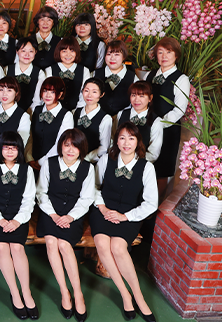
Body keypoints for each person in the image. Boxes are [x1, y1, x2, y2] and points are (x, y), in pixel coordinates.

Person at [90, 122, 158, 322]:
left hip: (129, 215)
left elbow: (151, 203)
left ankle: (139, 297)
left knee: (118, 248)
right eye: (122, 138)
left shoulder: (146, 167)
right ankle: (125, 295)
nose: (126, 143)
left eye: (131, 138)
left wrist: (125, 216)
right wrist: (103, 208)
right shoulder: (106, 160)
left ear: (138, 142)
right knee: (102, 244)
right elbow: (94, 186)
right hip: (103, 211)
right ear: (116, 141)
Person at [35, 129, 95, 322]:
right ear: (60, 146)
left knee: (64, 244)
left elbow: (86, 199)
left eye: (75, 146)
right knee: (52, 243)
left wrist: (70, 216)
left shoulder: (88, 168)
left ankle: (78, 293)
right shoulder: (49, 163)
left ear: (82, 149)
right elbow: (41, 193)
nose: (70, 150)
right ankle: (64, 292)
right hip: (50, 212)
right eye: (67, 145)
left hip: (74, 214)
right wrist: (53, 214)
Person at [0, 131, 38, 320]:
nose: (10, 151)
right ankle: (15, 293)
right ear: (0, 149)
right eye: (6, 147)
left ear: (20, 150)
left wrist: (17, 220)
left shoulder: (27, 170)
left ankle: (26, 292)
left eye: (14, 148)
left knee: (17, 248)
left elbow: (29, 199)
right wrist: (0, 220)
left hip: (18, 217)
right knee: (2, 247)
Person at [144, 37, 190, 201]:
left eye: (168, 52)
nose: (164, 56)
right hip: (146, 127)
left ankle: (155, 207)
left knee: (161, 171)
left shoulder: (181, 79)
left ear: (176, 55)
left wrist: (158, 124)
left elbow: (179, 110)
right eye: (160, 52)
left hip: (167, 129)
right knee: (144, 165)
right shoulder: (149, 75)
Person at [31, 77, 74, 168]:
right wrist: (29, 158)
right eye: (45, 91)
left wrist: (41, 162)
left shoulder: (67, 115)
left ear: (60, 94)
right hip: (32, 161)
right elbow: (29, 136)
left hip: (53, 163)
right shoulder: (36, 110)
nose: (48, 95)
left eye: (53, 92)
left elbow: (62, 143)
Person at [116, 82, 164, 163]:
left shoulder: (156, 121)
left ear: (150, 98)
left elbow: (153, 154)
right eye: (133, 95)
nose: (136, 100)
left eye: (141, 96)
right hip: (119, 160)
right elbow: (113, 138)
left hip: (142, 163)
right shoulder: (121, 114)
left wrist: (132, 160)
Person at [0, 77, 30, 163]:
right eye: (1, 90)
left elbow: (20, 144)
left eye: (9, 90)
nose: (4, 94)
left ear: (16, 93)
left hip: (12, 162)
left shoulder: (23, 116)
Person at [91, 40, 139, 116]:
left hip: (123, 119)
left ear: (124, 57)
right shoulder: (94, 75)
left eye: (117, 54)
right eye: (109, 54)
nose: (112, 58)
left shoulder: (133, 78)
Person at [44, 37, 91, 112]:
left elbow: (85, 94)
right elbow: (46, 94)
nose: (68, 55)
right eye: (64, 51)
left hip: (77, 110)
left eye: (72, 51)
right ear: (59, 52)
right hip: (54, 110)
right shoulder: (49, 70)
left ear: (77, 52)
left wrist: (77, 111)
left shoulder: (85, 71)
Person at [72, 78, 112, 163]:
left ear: (101, 94)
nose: (89, 95)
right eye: (86, 91)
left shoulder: (106, 118)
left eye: (94, 92)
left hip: (90, 161)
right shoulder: (75, 112)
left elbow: (104, 147)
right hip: (71, 157)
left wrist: (86, 158)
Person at [6, 37, 45, 113]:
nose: (27, 55)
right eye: (23, 51)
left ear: (35, 52)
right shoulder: (7, 70)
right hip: (8, 110)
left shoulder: (40, 73)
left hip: (31, 112)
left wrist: (28, 114)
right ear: (17, 52)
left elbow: (38, 100)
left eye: (31, 51)